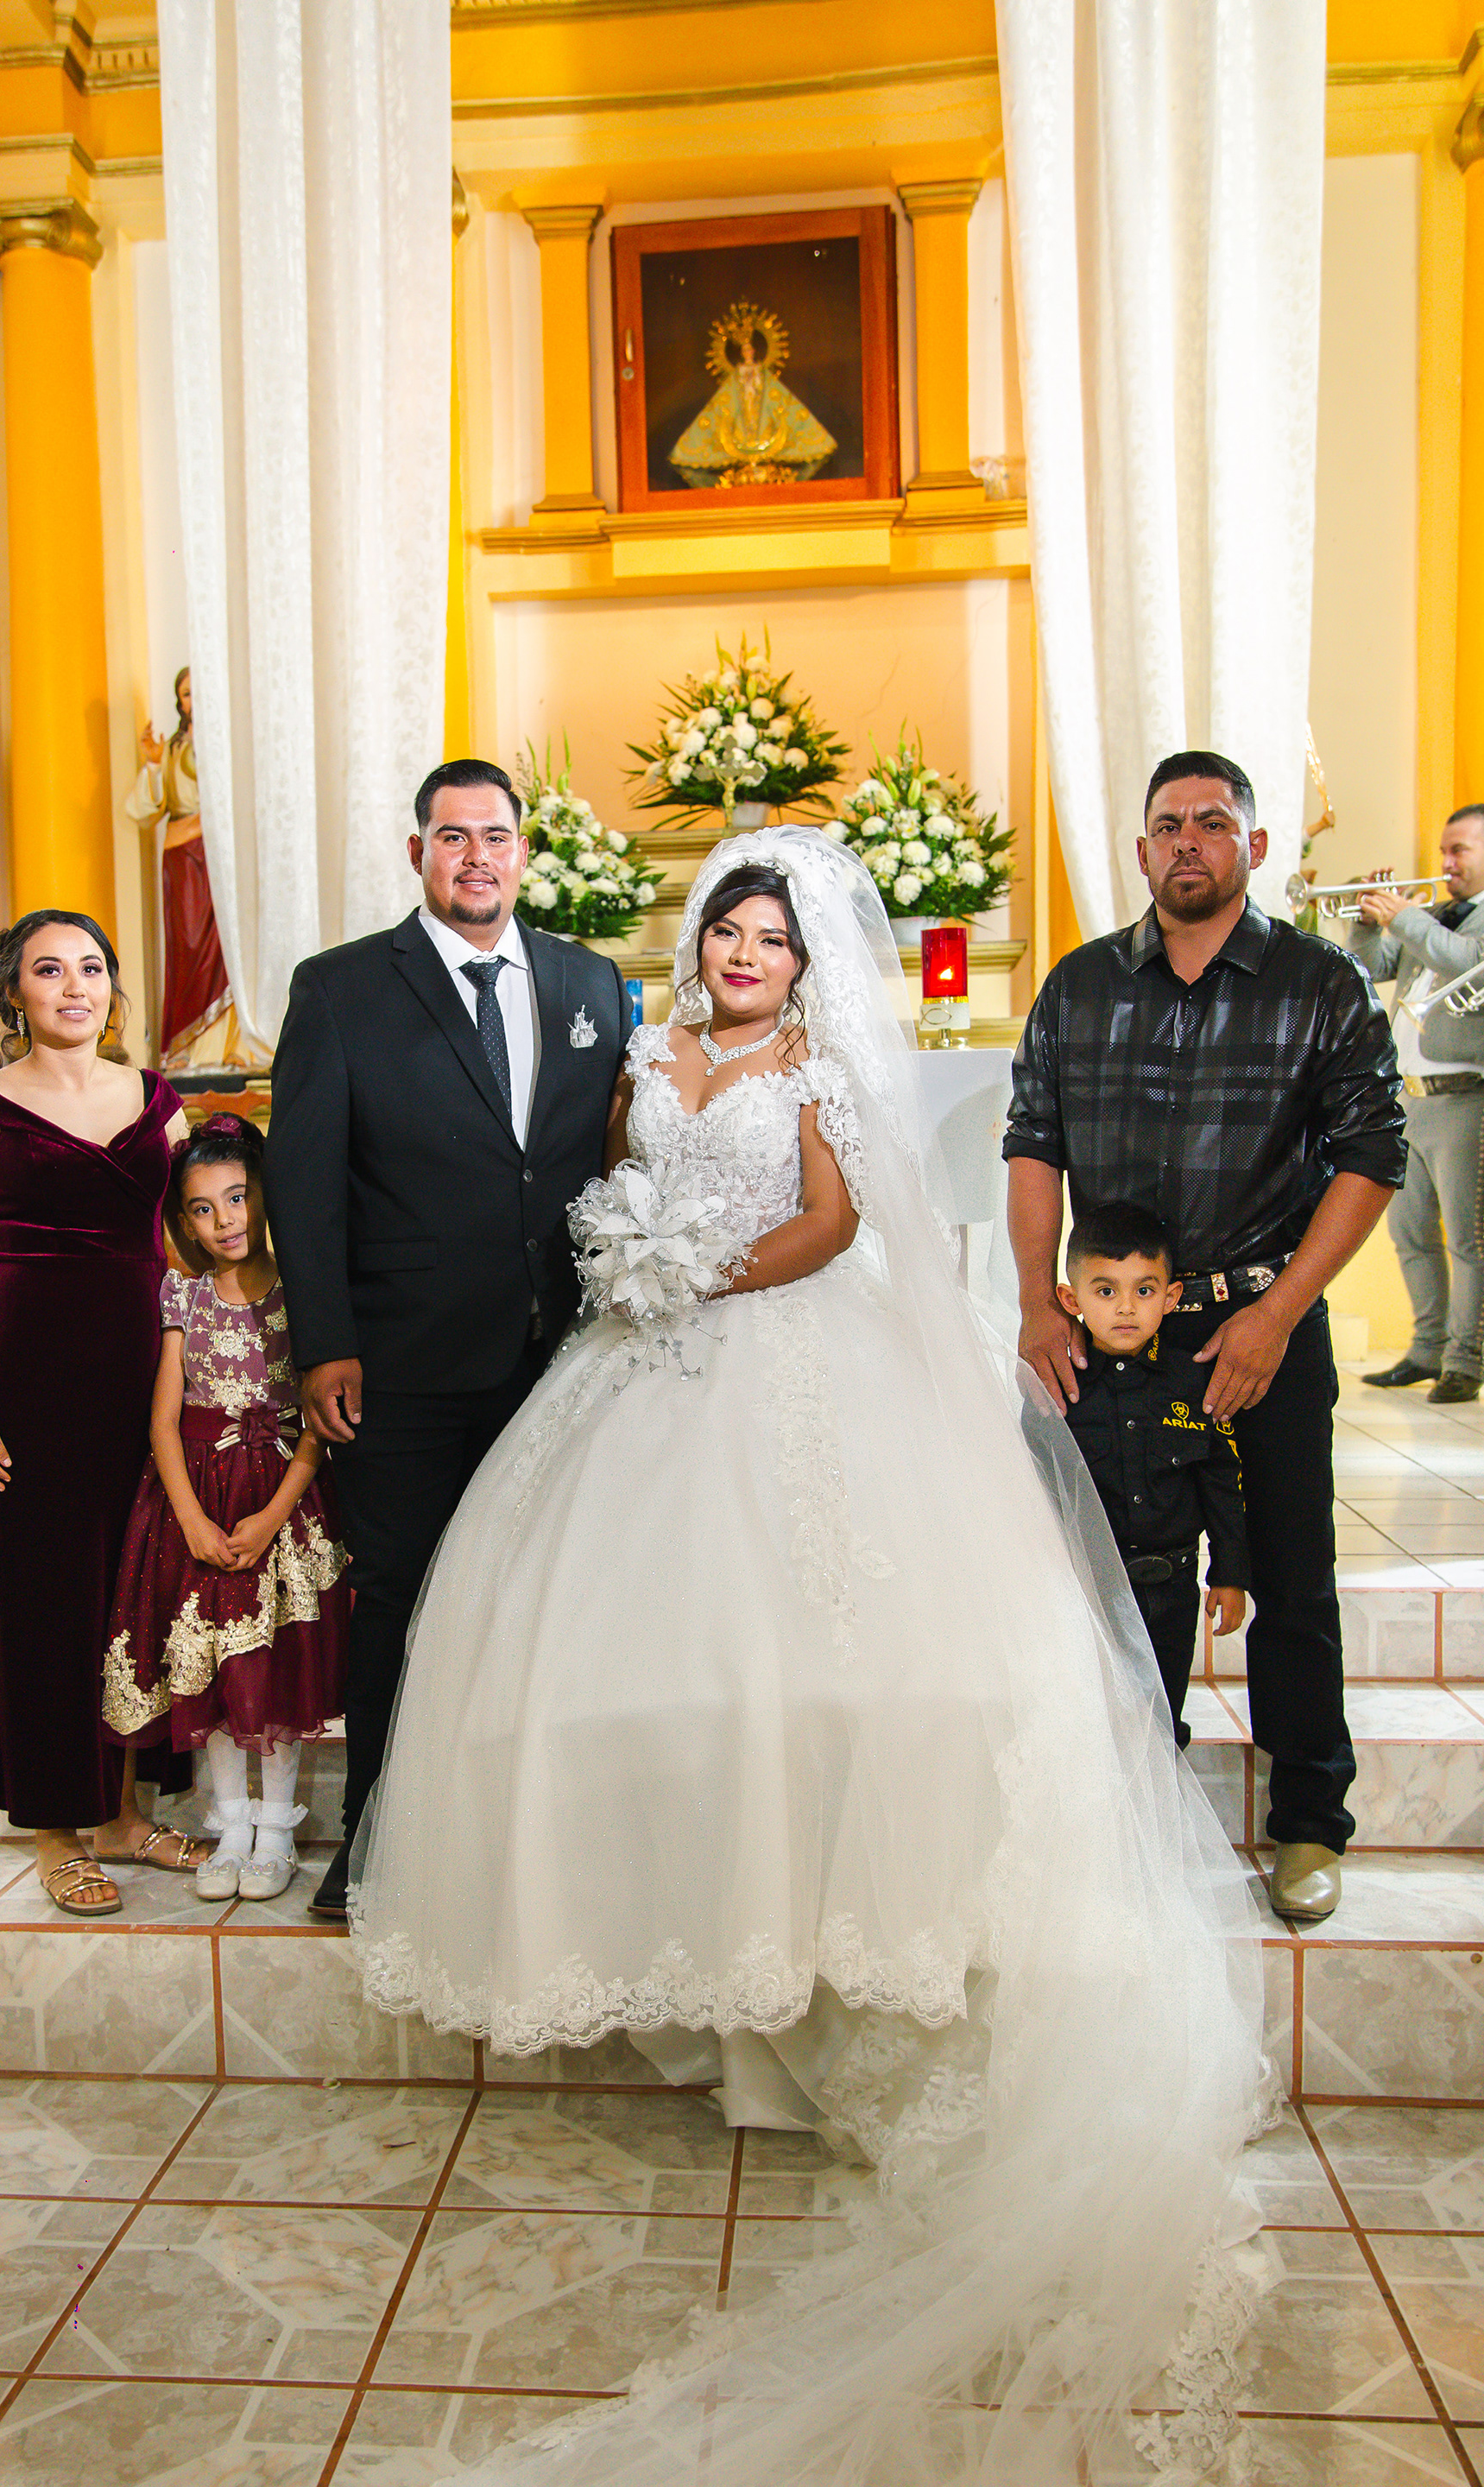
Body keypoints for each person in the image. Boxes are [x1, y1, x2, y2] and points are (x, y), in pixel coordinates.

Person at [346, 828, 1266, 2487]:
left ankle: (813, 1969)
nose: (745, 955)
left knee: (810, 1650)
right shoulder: (648, 1058)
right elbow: (613, 1187)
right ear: (701, 945)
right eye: (729, 932)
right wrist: (640, 1264)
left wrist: (704, 1271)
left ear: (802, 959)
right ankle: (706, 1954)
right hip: (639, 1359)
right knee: (632, 1655)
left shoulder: (817, 1069)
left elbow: (836, 1224)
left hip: (785, 1351)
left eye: (770, 939)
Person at [1006, 750, 1405, 1926]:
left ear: (1254, 846)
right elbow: (1034, 1144)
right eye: (1170, 823)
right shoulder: (1080, 987)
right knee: (1106, 1580)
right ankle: (1118, 1818)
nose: (1190, 840)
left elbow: (1374, 1154)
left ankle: (1308, 1822)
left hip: (1258, 1329)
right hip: (1114, 1340)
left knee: (1288, 1572)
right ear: (1142, 849)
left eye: (1214, 822)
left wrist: (1277, 1315)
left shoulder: (1320, 983)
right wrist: (1037, 1300)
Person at [265, 756, 634, 1921]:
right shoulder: (340, 989)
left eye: (497, 836)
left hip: (560, 1356)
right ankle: (372, 1840)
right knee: (403, 1596)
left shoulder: (586, 979)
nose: (478, 857)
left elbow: (606, 1151)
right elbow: (302, 1182)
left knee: (548, 1600)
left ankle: (527, 1843)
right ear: (417, 850)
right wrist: (324, 1342)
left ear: (525, 851)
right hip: (403, 1360)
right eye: (454, 836)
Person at [0, 913, 201, 1915]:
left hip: (142, 1375)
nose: (74, 986)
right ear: (15, 992)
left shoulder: (158, 1103)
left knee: (134, 1595)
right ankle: (55, 1827)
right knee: (43, 1600)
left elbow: (191, 1241)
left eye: (91, 968)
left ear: (111, 988)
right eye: (49, 970)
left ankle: (123, 1817)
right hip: (27, 1378)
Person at [102, 1112, 349, 1903]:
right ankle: (230, 1826)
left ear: (266, 1195)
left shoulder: (303, 1291)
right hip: (198, 1505)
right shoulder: (183, 1293)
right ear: (184, 1220)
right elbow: (162, 1422)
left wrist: (272, 1517)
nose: (224, 1221)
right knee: (209, 1666)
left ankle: (276, 1831)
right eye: (202, 1208)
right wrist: (190, 1519)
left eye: (237, 1198)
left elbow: (316, 1423)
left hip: (281, 1504)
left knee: (274, 1670)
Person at [1052, 1202, 1249, 1749]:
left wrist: (1230, 1574)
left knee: (1162, 1721)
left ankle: (1164, 1799)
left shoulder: (1195, 1382)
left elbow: (1222, 1485)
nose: (1126, 1308)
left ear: (1171, 1296)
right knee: (1095, 1719)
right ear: (1072, 1299)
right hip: (1089, 1589)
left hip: (1172, 1589)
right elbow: (1038, 1493)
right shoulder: (1059, 1388)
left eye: (1144, 1290)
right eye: (1105, 1290)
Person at [1346, 805, 1484, 1402]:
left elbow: (1466, 963)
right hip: (1410, 1099)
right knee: (1410, 1233)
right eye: (1444, 850)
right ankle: (1427, 1349)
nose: (1446, 862)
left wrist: (1405, 916)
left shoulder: (1445, 927)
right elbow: (1368, 967)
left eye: (1460, 850)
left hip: (1466, 1099)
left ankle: (1466, 1360)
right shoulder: (1432, 919)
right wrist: (1368, 921)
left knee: (1469, 1241)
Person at [126, 667, 268, 1074]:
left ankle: (233, 1045)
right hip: (183, 858)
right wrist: (154, 766)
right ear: (180, 702)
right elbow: (147, 809)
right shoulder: (171, 749)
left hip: (219, 853)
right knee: (188, 947)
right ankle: (186, 1045)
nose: (193, 701)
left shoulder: (225, 744)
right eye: (186, 694)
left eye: (198, 693)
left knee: (227, 947)